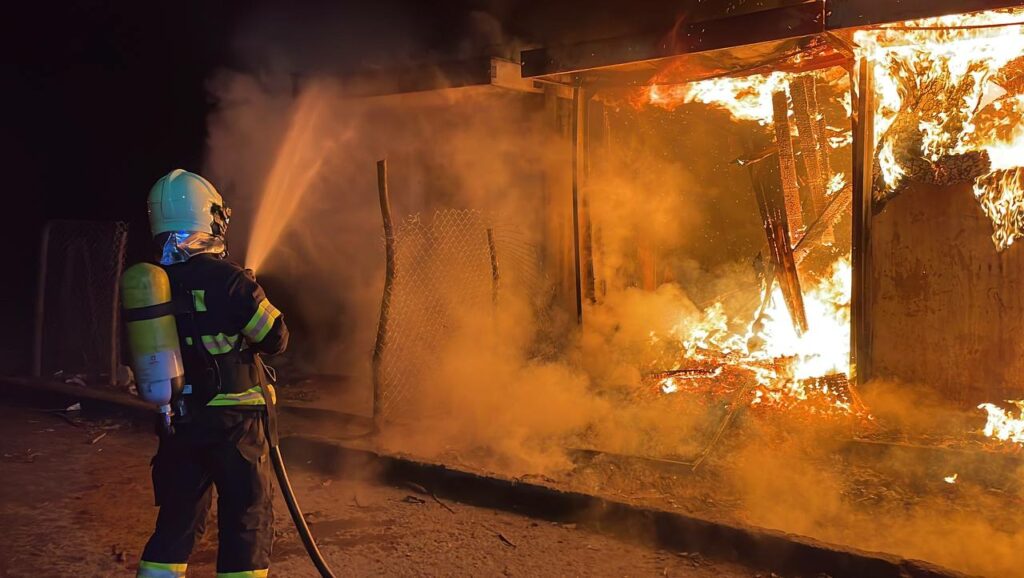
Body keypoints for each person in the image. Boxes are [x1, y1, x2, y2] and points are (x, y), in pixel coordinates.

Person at [136, 169, 288, 578]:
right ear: (210, 218)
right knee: (246, 522)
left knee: (176, 524)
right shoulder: (231, 279)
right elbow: (275, 337)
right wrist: (249, 290)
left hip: (179, 421)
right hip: (235, 424)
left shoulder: (153, 284)